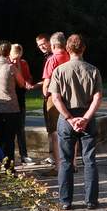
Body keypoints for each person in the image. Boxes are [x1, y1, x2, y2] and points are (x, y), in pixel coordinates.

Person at [49, 34, 103, 210]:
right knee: (89, 160)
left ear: (67, 49)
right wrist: (86, 117)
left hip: (67, 118)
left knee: (65, 161)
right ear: (84, 48)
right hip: (87, 117)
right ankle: (91, 200)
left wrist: (70, 119)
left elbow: (56, 98)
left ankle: (65, 201)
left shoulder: (59, 71)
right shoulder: (93, 70)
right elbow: (97, 97)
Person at [41, 31, 70, 165]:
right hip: (70, 97)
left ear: (52, 45)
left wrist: (45, 95)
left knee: (54, 132)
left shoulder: (51, 60)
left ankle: (59, 165)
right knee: (70, 131)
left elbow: (46, 83)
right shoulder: (70, 56)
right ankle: (73, 163)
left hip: (54, 97)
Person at [9, 43, 35, 165]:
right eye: (14, 58)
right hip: (9, 98)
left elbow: (28, 77)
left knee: (21, 127)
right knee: (9, 129)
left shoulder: (23, 63)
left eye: (18, 57)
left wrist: (28, 83)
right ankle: (8, 157)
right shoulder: (6, 64)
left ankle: (24, 155)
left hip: (20, 96)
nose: (15, 60)